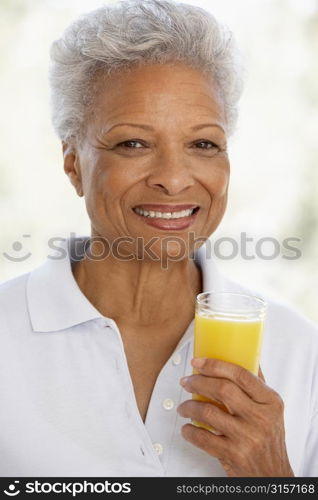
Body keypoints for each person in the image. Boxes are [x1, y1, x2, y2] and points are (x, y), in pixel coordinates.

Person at [0, 0, 317, 477]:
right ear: (73, 165)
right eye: (134, 143)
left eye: (203, 144)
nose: (173, 178)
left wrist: (273, 479)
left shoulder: (298, 349)